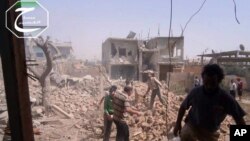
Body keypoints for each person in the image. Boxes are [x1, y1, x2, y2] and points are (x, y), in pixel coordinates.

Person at [173, 64, 246, 141]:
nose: (209, 87)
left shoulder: (226, 98)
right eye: (206, 83)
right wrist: (178, 124)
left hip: (210, 132)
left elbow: (239, 120)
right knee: (186, 135)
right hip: (192, 125)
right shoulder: (195, 92)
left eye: (213, 84)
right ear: (203, 80)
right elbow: (183, 107)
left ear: (219, 81)